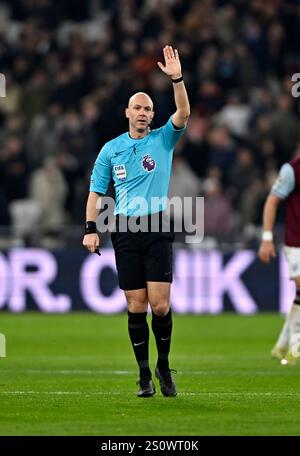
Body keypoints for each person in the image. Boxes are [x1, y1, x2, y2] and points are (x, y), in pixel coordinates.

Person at [82, 45, 190, 396]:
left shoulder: (164, 138)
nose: (143, 113)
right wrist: (90, 229)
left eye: (148, 109)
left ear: (152, 115)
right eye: (138, 108)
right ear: (128, 112)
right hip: (125, 228)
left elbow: (184, 112)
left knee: (160, 305)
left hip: (157, 225)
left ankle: (163, 366)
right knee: (135, 305)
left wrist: (176, 78)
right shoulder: (110, 149)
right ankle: (144, 374)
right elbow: (96, 192)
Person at [258, 146, 300, 364]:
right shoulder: (291, 170)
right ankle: (295, 347)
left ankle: (282, 346)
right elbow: (272, 201)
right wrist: (267, 238)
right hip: (296, 243)